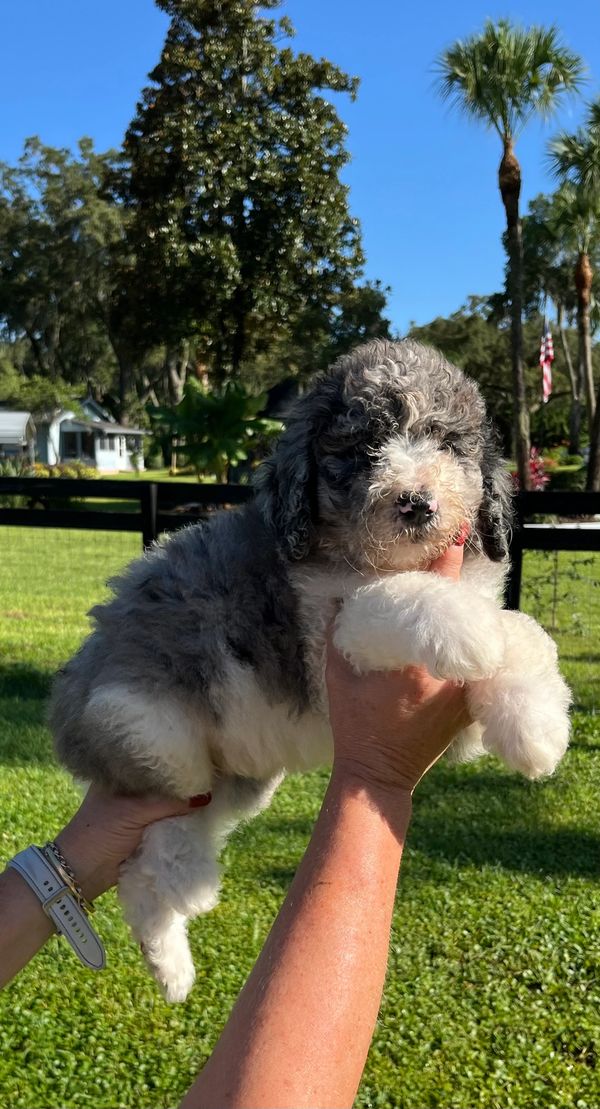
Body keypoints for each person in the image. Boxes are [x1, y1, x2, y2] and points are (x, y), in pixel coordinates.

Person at [0, 541, 470, 1108]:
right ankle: (158, 884)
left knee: (222, 803)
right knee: (197, 820)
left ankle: (155, 881)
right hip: (171, 690)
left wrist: (70, 862)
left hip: (202, 708)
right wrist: (379, 778)